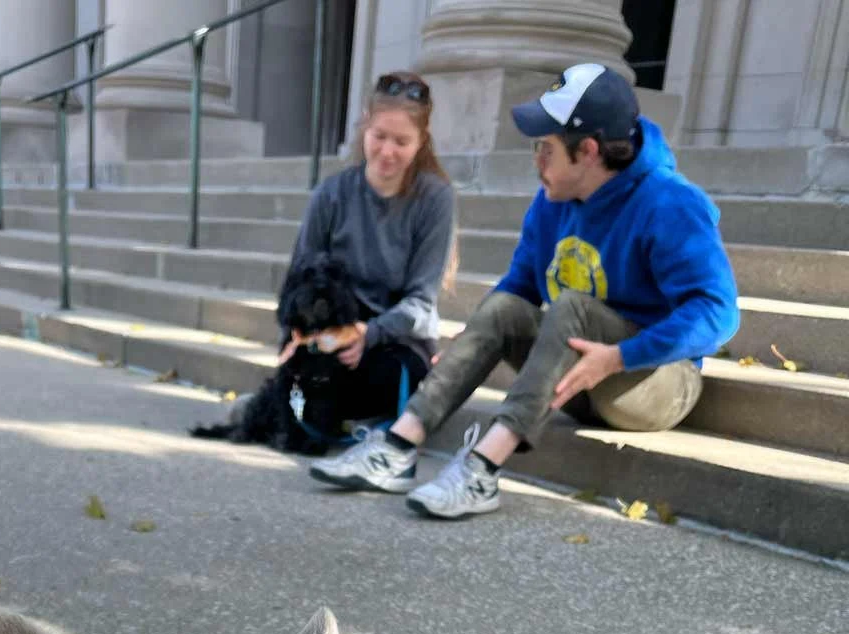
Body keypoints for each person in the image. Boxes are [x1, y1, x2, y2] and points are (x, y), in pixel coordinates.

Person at [311, 63, 740, 519]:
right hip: (576, 376)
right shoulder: (553, 200)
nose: (537, 161)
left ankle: (481, 469)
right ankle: (397, 446)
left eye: (546, 149)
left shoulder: (671, 203)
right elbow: (518, 288)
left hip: (653, 384)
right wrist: (469, 345)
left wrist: (619, 357)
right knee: (505, 308)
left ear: (588, 151)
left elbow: (719, 313)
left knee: (573, 307)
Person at [251, 71, 456, 445]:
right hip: (331, 333)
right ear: (365, 126)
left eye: (402, 142)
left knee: (387, 376)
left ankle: (344, 419)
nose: (388, 152)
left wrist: (369, 333)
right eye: (380, 136)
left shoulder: (435, 199)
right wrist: (292, 343)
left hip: (394, 339)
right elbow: (299, 279)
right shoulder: (331, 194)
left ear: (421, 141)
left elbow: (421, 301)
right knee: (313, 371)